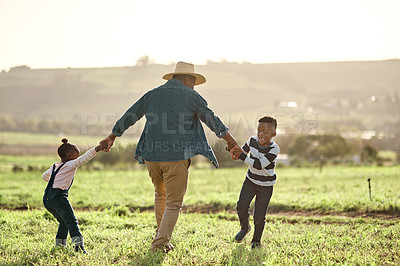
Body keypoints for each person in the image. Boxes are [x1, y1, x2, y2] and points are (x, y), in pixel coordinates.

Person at [100, 61, 239, 252]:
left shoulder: (152, 94)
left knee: (161, 195)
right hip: (176, 156)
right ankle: (159, 244)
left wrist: (112, 136)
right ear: (188, 79)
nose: (193, 86)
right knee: (174, 202)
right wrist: (232, 143)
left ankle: (161, 237)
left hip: (151, 156)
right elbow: (212, 120)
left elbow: (130, 115)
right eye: (193, 82)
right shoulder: (191, 95)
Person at [42, 138, 107, 253]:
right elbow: (84, 158)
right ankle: (79, 248)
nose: (77, 158)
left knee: (63, 222)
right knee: (72, 222)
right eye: (76, 156)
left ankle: (60, 246)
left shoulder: (54, 166)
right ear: (70, 155)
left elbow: (44, 176)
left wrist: (56, 181)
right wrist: (98, 148)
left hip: (47, 198)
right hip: (59, 198)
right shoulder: (70, 164)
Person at [230, 116, 280, 249]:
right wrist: (235, 152)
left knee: (259, 215)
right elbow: (242, 151)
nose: (260, 134)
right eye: (259, 130)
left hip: (266, 186)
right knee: (241, 205)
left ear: (273, 134)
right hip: (250, 181)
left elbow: (258, 165)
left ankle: (256, 240)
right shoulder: (252, 141)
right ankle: (245, 228)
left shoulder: (274, 149)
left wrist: (241, 156)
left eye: (265, 132)